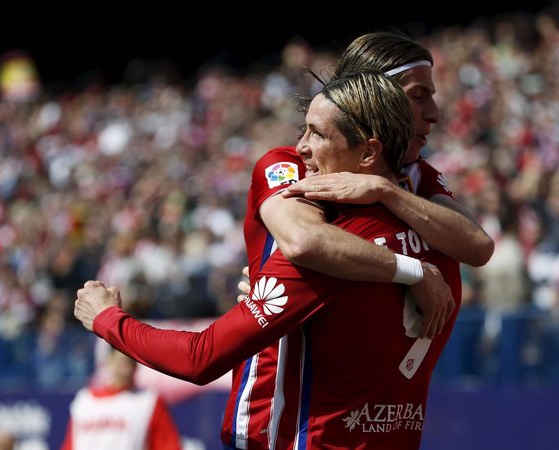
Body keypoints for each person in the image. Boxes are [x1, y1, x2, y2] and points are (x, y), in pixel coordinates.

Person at [75, 70, 449, 449]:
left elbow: (199, 358)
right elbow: (477, 246)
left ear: (368, 152)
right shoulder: (440, 234)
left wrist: (108, 320)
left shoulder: (328, 253)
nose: (300, 148)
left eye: (318, 134)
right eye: (303, 131)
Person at [225, 30, 493, 450]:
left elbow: (477, 246)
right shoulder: (290, 164)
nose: (435, 112)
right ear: (374, 94)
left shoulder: (415, 178)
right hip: (278, 424)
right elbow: (302, 240)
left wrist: (384, 191)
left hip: (368, 425)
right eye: (419, 95)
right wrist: (412, 272)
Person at [60, 344, 182, 450]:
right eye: (122, 362)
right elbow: (70, 446)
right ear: (109, 361)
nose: (126, 370)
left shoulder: (148, 401)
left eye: (130, 363)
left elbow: (168, 446)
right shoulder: (83, 401)